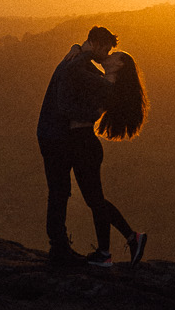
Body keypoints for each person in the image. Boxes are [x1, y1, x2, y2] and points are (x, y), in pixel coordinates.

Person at [35, 26, 150, 266]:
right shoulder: (84, 68)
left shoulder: (97, 78)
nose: (108, 55)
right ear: (97, 44)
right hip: (64, 140)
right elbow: (72, 79)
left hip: (79, 143)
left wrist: (80, 49)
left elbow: (78, 105)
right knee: (83, 197)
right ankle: (124, 240)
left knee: (84, 198)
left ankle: (104, 251)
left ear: (119, 67)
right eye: (107, 49)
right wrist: (79, 48)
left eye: (112, 54)